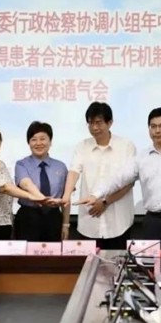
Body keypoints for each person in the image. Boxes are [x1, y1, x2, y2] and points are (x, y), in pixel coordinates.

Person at [76, 107, 161, 251]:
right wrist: (96, 195)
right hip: (152, 221)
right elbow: (119, 179)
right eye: (153, 126)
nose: (157, 131)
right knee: (149, 263)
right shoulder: (142, 157)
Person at [60, 102, 136, 249]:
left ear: (110, 122)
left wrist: (105, 202)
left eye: (99, 122)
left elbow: (129, 182)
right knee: (88, 262)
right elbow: (74, 171)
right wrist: (66, 196)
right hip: (89, 222)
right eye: (90, 123)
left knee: (118, 262)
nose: (94, 127)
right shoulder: (82, 146)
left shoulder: (126, 146)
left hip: (118, 223)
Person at [14, 121, 68, 242]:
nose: (38, 143)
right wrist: (44, 200)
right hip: (28, 217)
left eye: (42, 139)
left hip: (53, 217)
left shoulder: (61, 166)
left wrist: (66, 224)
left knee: (53, 253)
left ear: (50, 141)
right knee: (26, 254)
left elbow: (66, 197)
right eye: (33, 139)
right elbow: (26, 184)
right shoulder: (21, 164)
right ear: (28, 143)